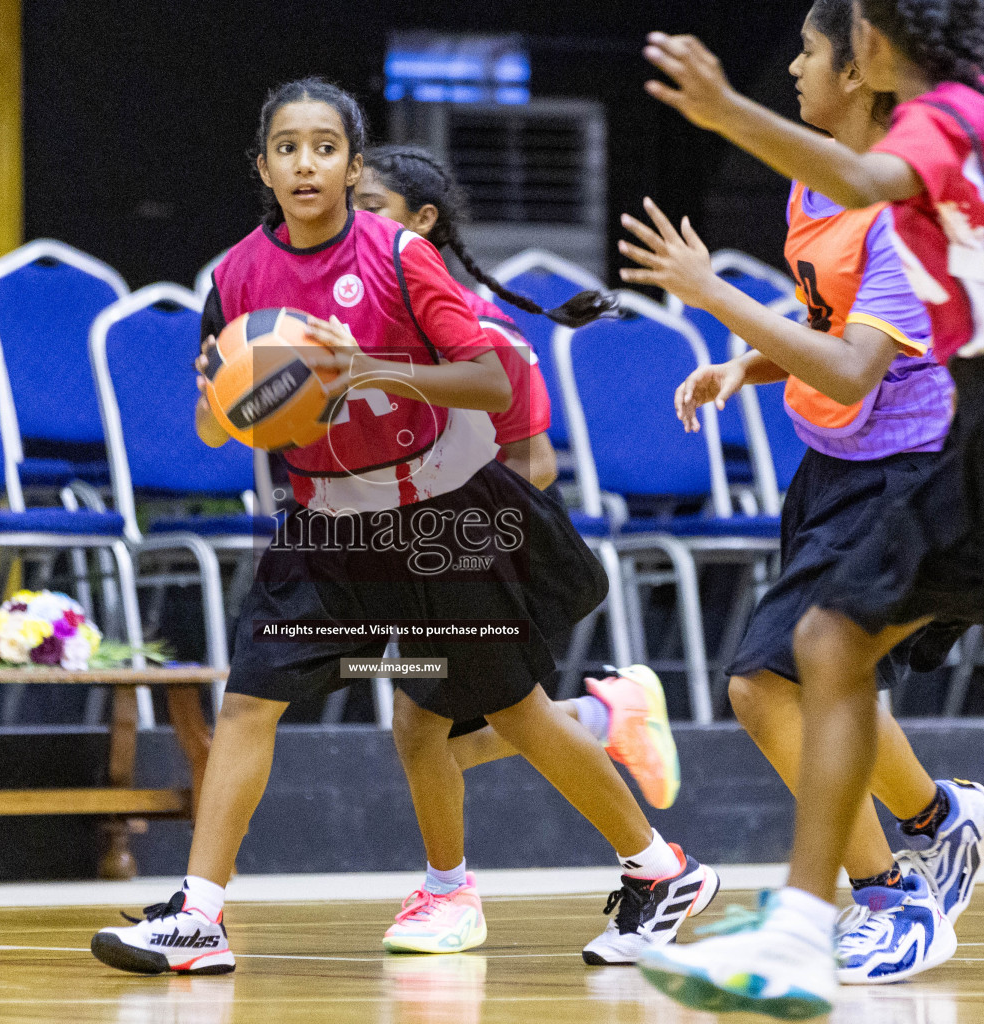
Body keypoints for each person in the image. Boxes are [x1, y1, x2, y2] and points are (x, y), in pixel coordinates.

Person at [90, 78, 716, 976]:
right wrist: (223, 401)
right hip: (320, 524)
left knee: (515, 711)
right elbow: (214, 427)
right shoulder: (233, 276)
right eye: (287, 148)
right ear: (262, 166)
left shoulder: (399, 256)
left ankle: (660, 866)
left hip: (438, 515)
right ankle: (200, 913)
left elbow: (492, 386)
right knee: (249, 701)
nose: (306, 163)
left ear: (351, 162)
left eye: (325, 147)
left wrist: (367, 372)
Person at [632, 0, 984, 1017]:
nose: (796, 61)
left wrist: (725, 109)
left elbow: (865, 181)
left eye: (827, 39)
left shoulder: (941, 119)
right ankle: (809, 924)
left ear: (871, 45)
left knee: (824, 656)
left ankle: (845, 910)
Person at [617, 0, 984, 985]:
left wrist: (710, 296)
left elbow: (850, 367)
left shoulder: (904, 214)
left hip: (914, 476)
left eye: (806, 49)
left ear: (864, 66)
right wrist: (742, 365)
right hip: (835, 470)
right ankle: (938, 820)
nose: (792, 66)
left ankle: (892, 897)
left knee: (766, 681)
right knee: (825, 676)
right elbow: (819, 311)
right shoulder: (815, 185)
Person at [355, 144, 690, 963]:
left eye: (372, 205)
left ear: (421, 222)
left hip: (492, 549)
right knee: (423, 721)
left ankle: (641, 866)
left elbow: (534, 466)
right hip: (417, 548)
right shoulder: (367, 324)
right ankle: (600, 722)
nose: (351, 222)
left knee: (455, 716)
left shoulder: (478, 331)